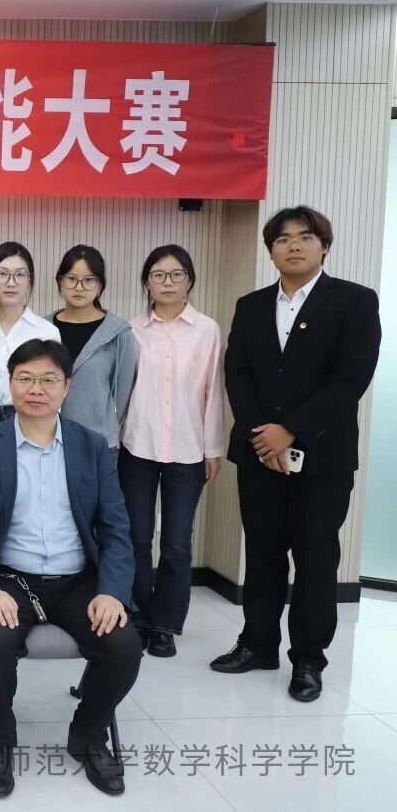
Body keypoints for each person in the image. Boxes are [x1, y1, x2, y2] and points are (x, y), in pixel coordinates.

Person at [0, 339, 141, 799]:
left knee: (123, 647)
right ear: (11, 383)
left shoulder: (91, 447)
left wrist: (112, 591)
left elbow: (116, 527)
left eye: (48, 379)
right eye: (26, 378)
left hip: (79, 580)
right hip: (8, 579)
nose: (36, 389)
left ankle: (88, 734)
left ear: (67, 386)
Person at [210, 206, 381, 703]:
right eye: (282, 239)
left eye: (305, 237)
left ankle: (308, 658)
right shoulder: (251, 305)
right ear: (271, 251)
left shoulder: (353, 301)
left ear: (324, 245)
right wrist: (262, 436)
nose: (294, 246)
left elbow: (350, 379)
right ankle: (257, 644)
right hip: (259, 453)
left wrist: (290, 431)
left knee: (315, 557)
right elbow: (237, 374)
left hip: (322, 458)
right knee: (263, 554)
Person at [120, 246, 226, 658]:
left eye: (176, 274)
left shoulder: (207, 330)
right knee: (136, 537)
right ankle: (136, 616)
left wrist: (212, 448)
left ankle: (164, 624)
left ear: (189, 280)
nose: (167, 282)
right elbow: (124, 391)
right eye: (158, 275)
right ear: (147, 282)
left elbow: (213, 393)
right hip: (137, 446)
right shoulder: (131, 330)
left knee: (178, 542)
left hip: (188, 448)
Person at [50, 245, 137, 450]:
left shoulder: (118, 332)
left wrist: (106, 427)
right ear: (60, 282)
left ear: (100, 286)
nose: (79, 287)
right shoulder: (44, 328)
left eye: (89, 280)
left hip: (98, 441)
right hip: (48, 439)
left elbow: (122, 393)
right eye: (71, 278)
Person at [0, 241, 61, 422]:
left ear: (29, 281)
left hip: (31, 418)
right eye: (3, 274)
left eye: (20, 274)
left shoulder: (46, 331)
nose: (11, 282)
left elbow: (53, 387)